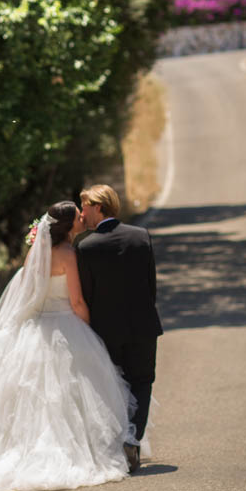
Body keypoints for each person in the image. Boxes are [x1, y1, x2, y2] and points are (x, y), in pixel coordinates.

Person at [0, 201, 138, 491]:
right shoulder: (68, 254)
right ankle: (71, 450)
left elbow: (27, 294)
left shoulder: (35, 255)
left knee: (34, 397)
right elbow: (76, 302)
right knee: (70, 394)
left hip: (36, 326)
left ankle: (21, 448)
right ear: (69, 225)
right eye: (78, 216)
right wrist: (90, 330)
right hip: (66, 324)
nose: (81, 218)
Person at [76, 184, 162, 472]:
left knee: (113, 384)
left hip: (106, 330)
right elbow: (151, 285)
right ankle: (132, 439)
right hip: (143, 324)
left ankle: (114, 445)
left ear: (98, 207)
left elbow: (86, 294)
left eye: (84, 205)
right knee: (143, 381)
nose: (82, 212)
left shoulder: (85, 247)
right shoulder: (140, 236)